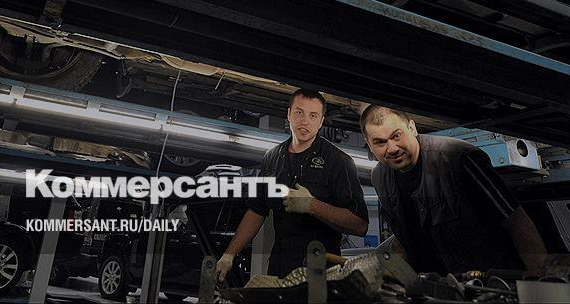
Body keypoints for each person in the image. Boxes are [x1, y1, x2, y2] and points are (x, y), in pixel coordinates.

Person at [360, 105, 547, 275]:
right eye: (380, 142)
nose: (392, 148)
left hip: (490, 284)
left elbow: (517, 222)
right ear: (369, 145)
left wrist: (541, 280)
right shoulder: (380, 177)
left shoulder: (457, 158)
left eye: (396, 136)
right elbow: (404, 238)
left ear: (412, 128)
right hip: (435, 287)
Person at [216, 89, 368, 282]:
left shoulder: (338, 161)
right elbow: (257, 210)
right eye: (299, 112)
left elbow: (360, 225)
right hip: (279, 269)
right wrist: (229, 254)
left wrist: (312, 205)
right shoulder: (272, 157)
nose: (305, 121)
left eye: (313, 115)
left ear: (321, 121)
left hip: (321, 275)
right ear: (289, 114)